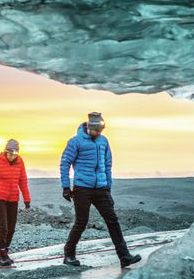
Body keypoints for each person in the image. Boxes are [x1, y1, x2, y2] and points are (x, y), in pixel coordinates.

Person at [59, 112, 142, 268]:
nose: (98, 133)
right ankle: (69, 255)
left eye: (100, 130)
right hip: (82, 188)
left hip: (101, 189)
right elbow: (65, 163)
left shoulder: (104, 142)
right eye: (95, 130)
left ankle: (124, 257)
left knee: (113, 221)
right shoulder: (75, 142)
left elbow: (107, 165)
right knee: (81, 222)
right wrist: (65, 186)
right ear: (89, 127)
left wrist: (108, 188)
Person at [0, 139, 31, 267]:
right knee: (3, 227)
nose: (12, 156)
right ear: (6, 152)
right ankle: (1, 255)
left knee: (11, 228)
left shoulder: (20, 163)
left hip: (13, 199)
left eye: (14, 154)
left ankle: (5, 252)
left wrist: (27, 199)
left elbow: (23, 182)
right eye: (10, 153)